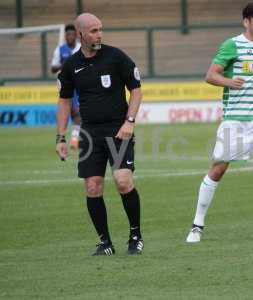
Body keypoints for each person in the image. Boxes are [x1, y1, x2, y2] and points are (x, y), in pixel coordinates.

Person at [186, 1, 253, 243]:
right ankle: (197, 225)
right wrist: (229, 82)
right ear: (246, 22)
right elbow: (210, 75)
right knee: (217, 170)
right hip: (235, 122)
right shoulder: (232, 45)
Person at [56, 13, 144, 256]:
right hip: (90, 134)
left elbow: (136, 90)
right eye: (94, 31)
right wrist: (61, 137)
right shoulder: (71, 65)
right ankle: (105, 243)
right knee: (93, 187)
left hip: (118, 129)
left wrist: (130, 121)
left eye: (101, 29)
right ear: (81, 34)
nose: (99, 34)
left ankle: (135, 236)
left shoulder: (115, 57)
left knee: (123, 181)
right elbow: (63, 102)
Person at [51, 24, 81, 149]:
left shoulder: (81, 48)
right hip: (66, 85)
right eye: (67, 34)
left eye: (72, 34)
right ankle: (68, 138)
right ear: (65, 36)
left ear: (76, 35)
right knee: (71, 112)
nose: (70, 36)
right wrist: (64, 64)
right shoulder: (60, 49)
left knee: (78, 113)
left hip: (80, 83)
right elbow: (53, 68)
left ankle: (75, 139)